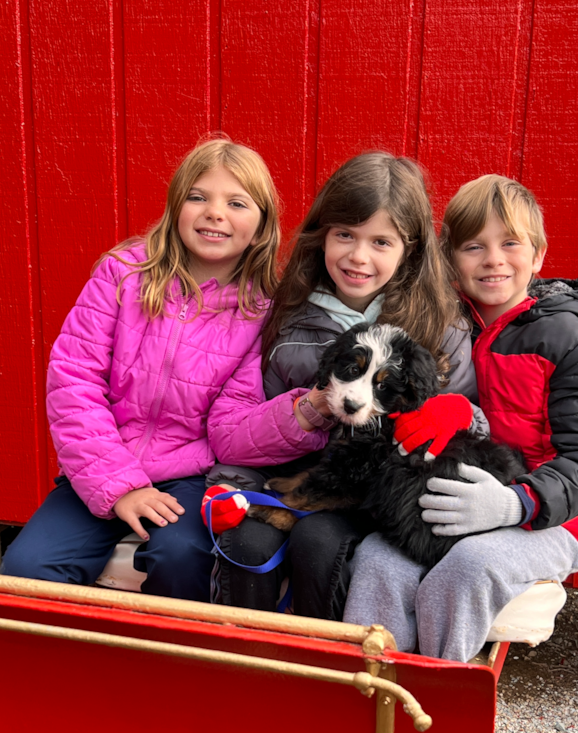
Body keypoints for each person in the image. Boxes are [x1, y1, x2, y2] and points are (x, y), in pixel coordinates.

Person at [343, 174, 578, 661]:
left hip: (552, 517)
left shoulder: (575, 339)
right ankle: (372, 689)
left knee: (471, 565)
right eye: (474, 246)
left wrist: (515, 504)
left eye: (510, 243)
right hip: (455, 495)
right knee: (378, 560)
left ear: (538, 255)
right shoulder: (449, 325)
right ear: (451, 258)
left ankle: (439, 689)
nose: (493, 259)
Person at [205, 152, 484, 619]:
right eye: (345, 235)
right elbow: (240, 429)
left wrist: (458, 411)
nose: (358, 256)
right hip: (294, 470)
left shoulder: (441, 323)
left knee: (318, 541)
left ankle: (324, 656)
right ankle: (246, 656)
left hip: (373, 491)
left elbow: (466, 424)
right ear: (322, 235)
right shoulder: (284, 316)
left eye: (381, 241)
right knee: (248, 543)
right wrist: (303, 413)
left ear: (410, 249)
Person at [0, 138, 280, 602]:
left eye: (236, 203)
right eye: (198, 197)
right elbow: (73, 380)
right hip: (101, 459)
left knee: (180, 557)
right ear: (175, 207)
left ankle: (170, 648)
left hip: (191, 474)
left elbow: (234, 416)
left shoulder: (262, 312)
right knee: (28, 568)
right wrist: (119, 486)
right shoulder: (125, 274)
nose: (215, 213)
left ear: (261, 227)